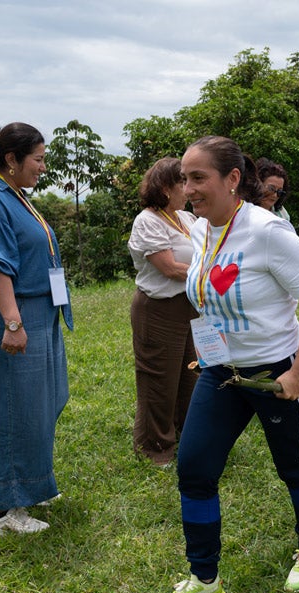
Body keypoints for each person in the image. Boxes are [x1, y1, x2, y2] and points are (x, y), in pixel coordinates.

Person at [148, 136, 299, 593]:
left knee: (296, 467)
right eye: (184, 179)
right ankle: (203, 578)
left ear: (233, 180)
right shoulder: (201, 229)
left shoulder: (268, 231)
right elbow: (211, 290)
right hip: (222, 372)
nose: (188, 188)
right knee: (194, 468)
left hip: (277, 372)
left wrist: (296, 371)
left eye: (198, 178)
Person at [0, 122, 72, 534]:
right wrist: (12, 322)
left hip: (40, 315)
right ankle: (3, 512)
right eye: (39, 159)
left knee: (43, 403)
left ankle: (32, 486)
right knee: (13, 412)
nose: (44, 167)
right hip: (15, 317)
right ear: (12, 159)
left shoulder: (17, 197)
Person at [127, 157, 198, 466]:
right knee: (159, 380)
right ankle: (155, 447)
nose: (189, 188)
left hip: (190, 307)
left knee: (190, 376)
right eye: (183, 182)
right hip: (159, 309)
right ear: (166, 188)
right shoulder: (148, 220)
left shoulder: (187, 218)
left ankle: (183, 434)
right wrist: (208, 274)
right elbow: (168, 268)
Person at [256, 157, 291, 222]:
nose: (275, 195)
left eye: (279, 191)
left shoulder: (283, 215)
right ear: (258, 185)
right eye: (271, 188)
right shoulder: (243, 209)